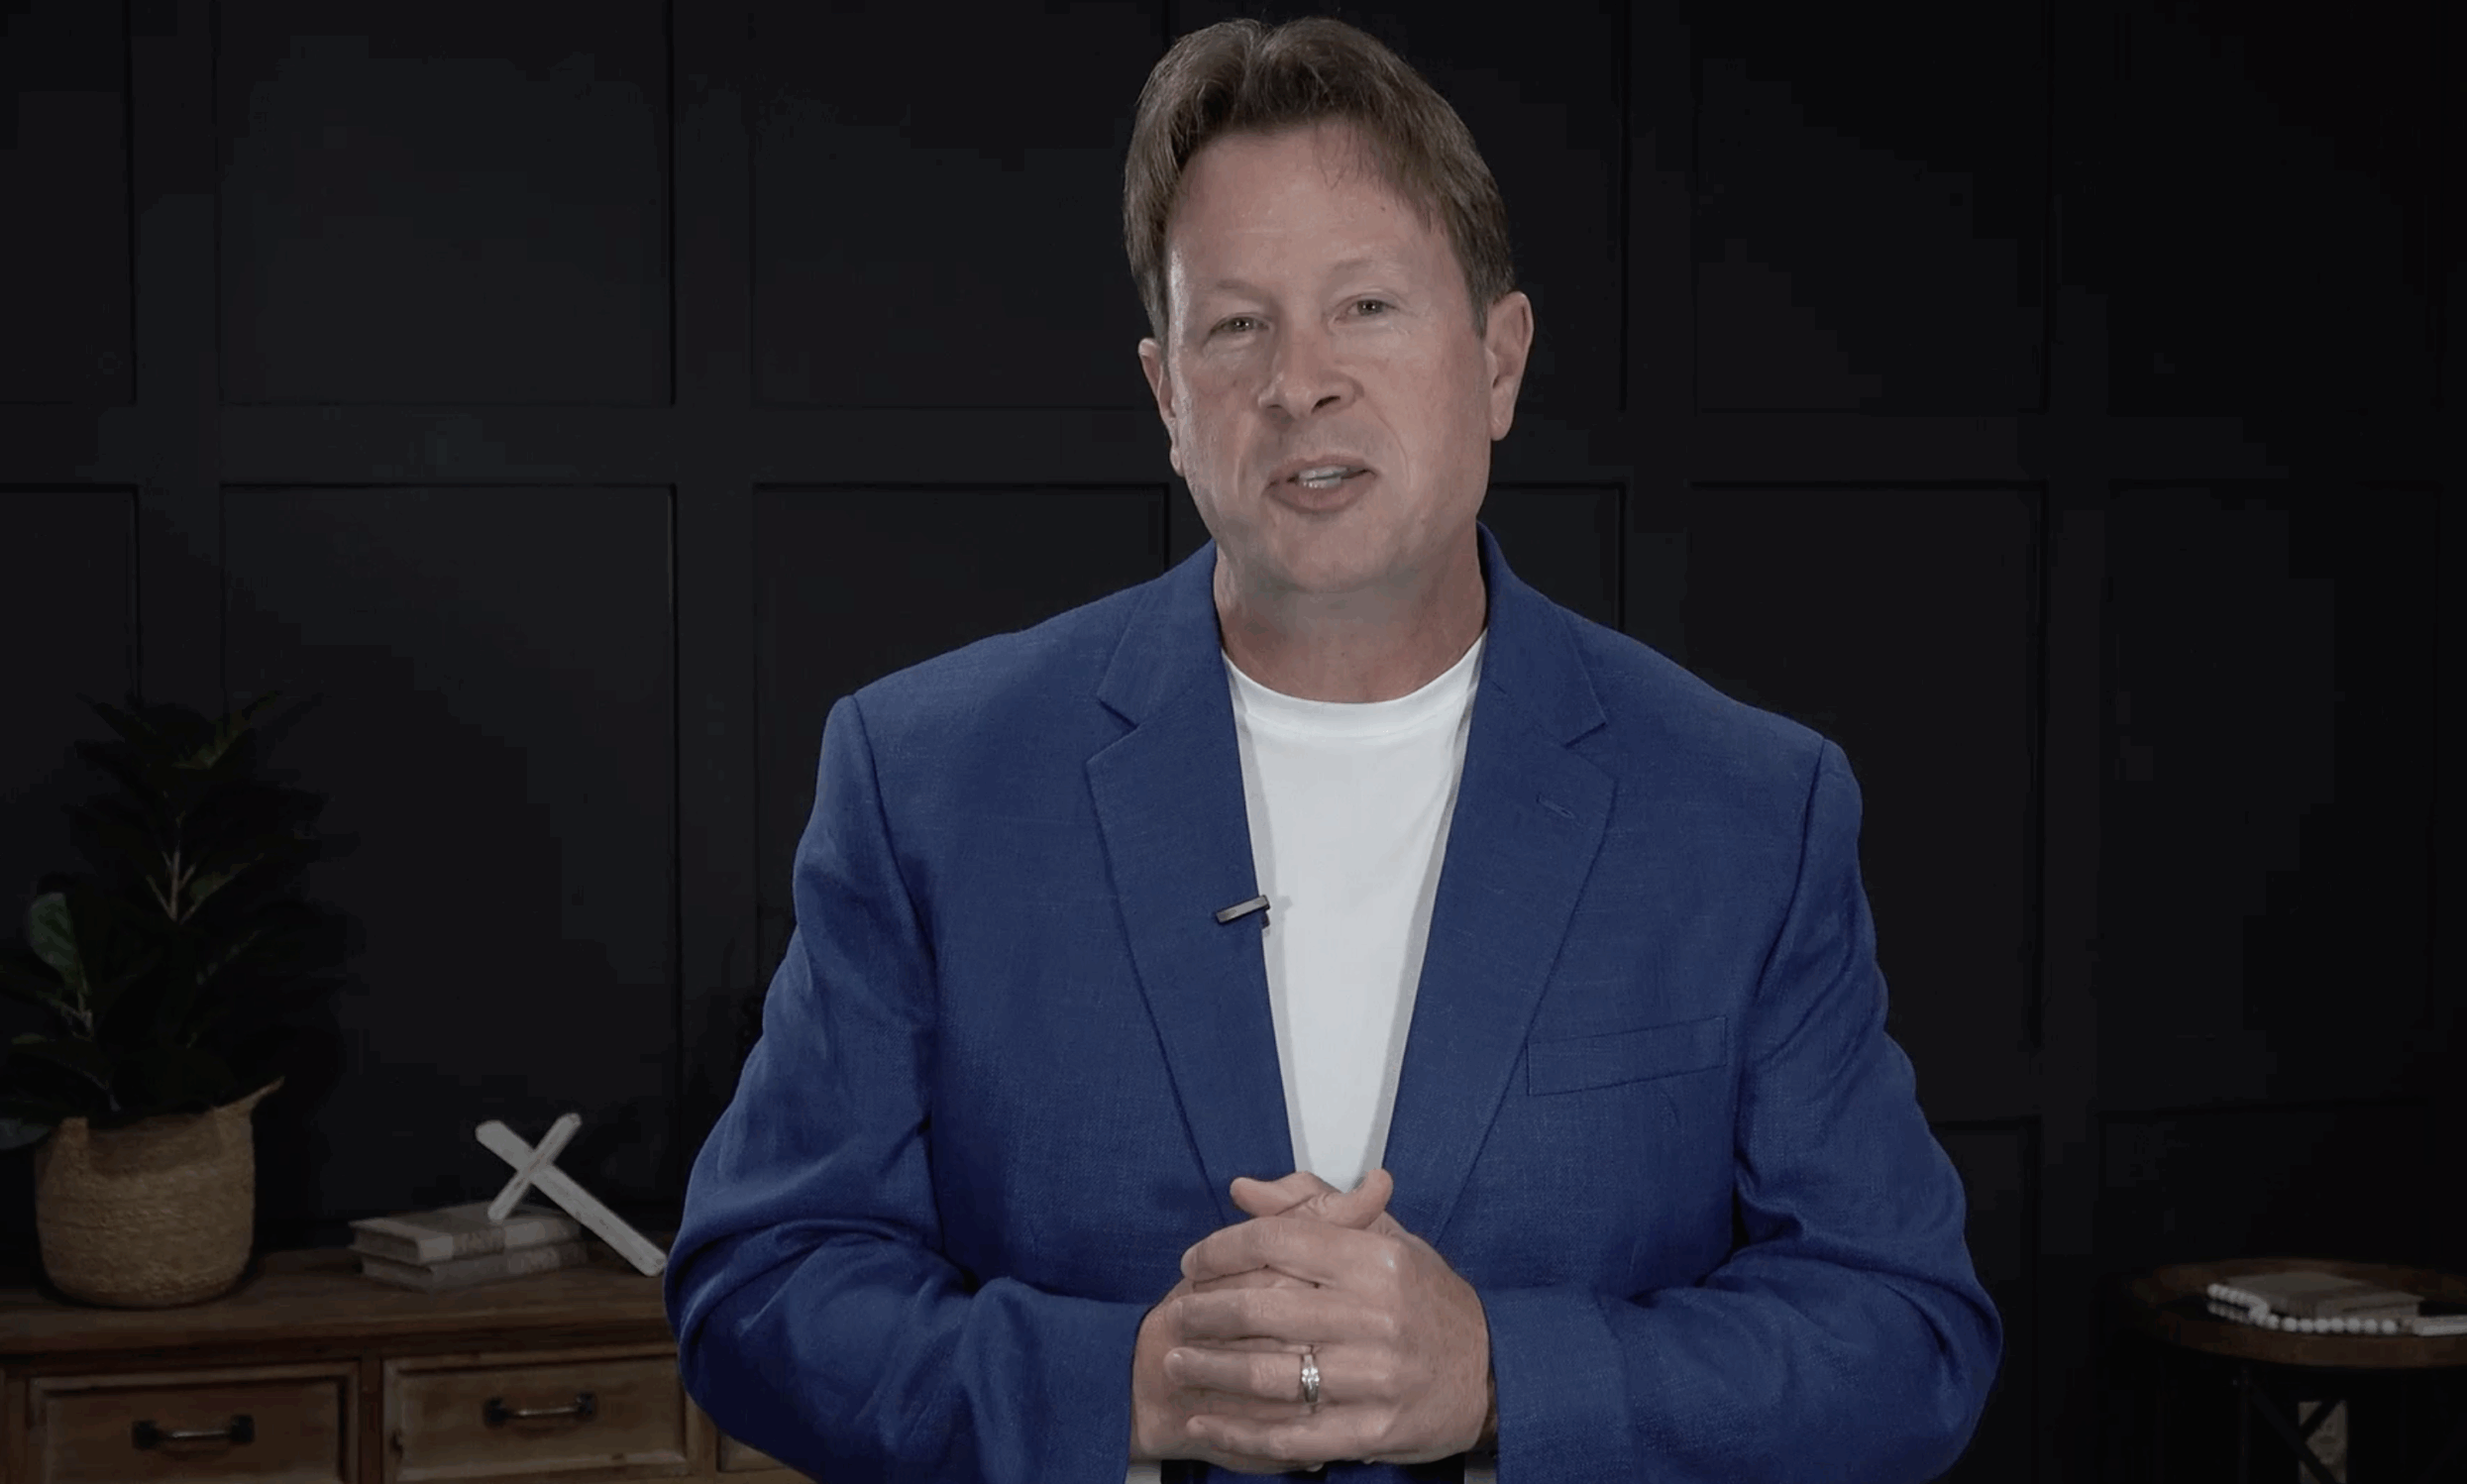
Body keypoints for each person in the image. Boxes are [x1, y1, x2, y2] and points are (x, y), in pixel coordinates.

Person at [667, 15, 2002, 1484]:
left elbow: (1905, 1336)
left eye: (1365, 306)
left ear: (1499, 362)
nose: (1300, 381)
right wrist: (1131, 1387)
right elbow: (755, 1287)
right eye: (1236, 326)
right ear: (1169, 398)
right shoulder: (924, 779)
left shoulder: (1749, 806)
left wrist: (1502, 1376)